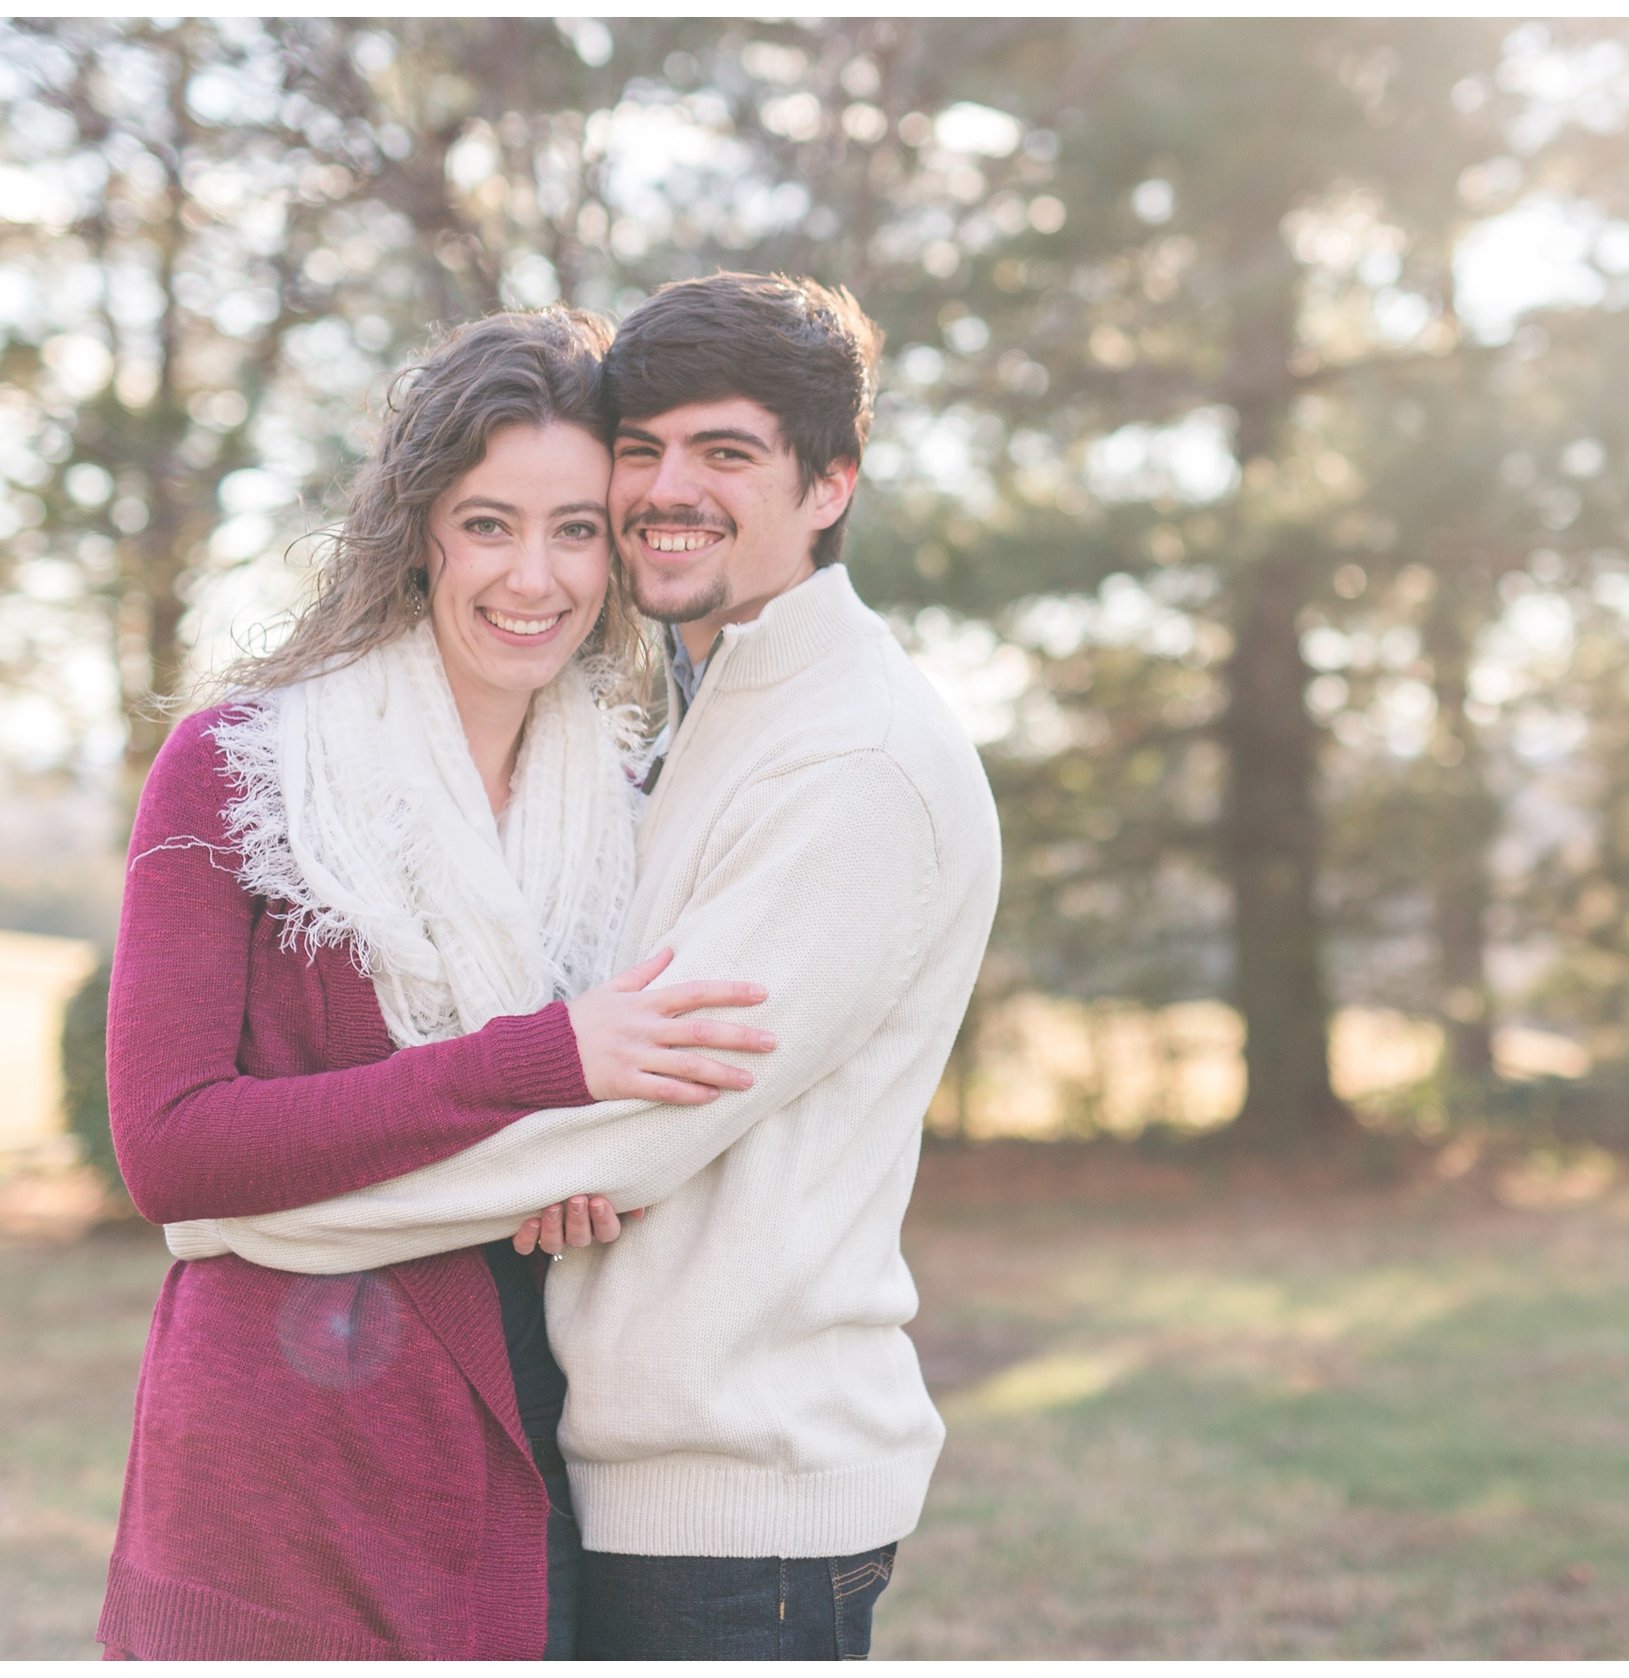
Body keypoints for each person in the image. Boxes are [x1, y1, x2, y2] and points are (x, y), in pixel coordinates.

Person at [165, 272, 1004, 1660]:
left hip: (745, 1499)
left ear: (831, 483)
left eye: (727, 452)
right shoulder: (698, 716)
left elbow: (626, 1123)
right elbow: (578, 1095)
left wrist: (243, 1216)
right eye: (643, 447)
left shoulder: (856, 758)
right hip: (608, 1469)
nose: (667, 488)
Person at [95, 307, 781, 1660]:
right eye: (488, 523)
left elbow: (631, 1112)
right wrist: (542, 1068)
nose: (535, 576)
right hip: (280, 1460)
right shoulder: (239, 769)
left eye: (577, 528)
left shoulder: (634, 800)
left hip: (533, 1424)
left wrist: (591, 1162)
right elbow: (170, 1149)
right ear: (416, 530)